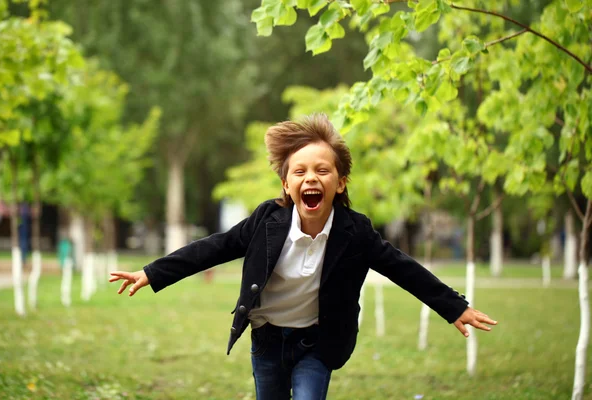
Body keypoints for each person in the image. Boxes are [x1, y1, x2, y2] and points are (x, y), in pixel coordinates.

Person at [109, 114, 497, 400]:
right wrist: (152, 273)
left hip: (318, 343)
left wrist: (454, 307)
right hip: (267, 340)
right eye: (300, 172)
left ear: (340, 182)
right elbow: (215, 246)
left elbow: (402, 268)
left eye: (322, 171)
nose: (311, 178)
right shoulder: (267, 220)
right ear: (286, 183)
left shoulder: (354, 231)